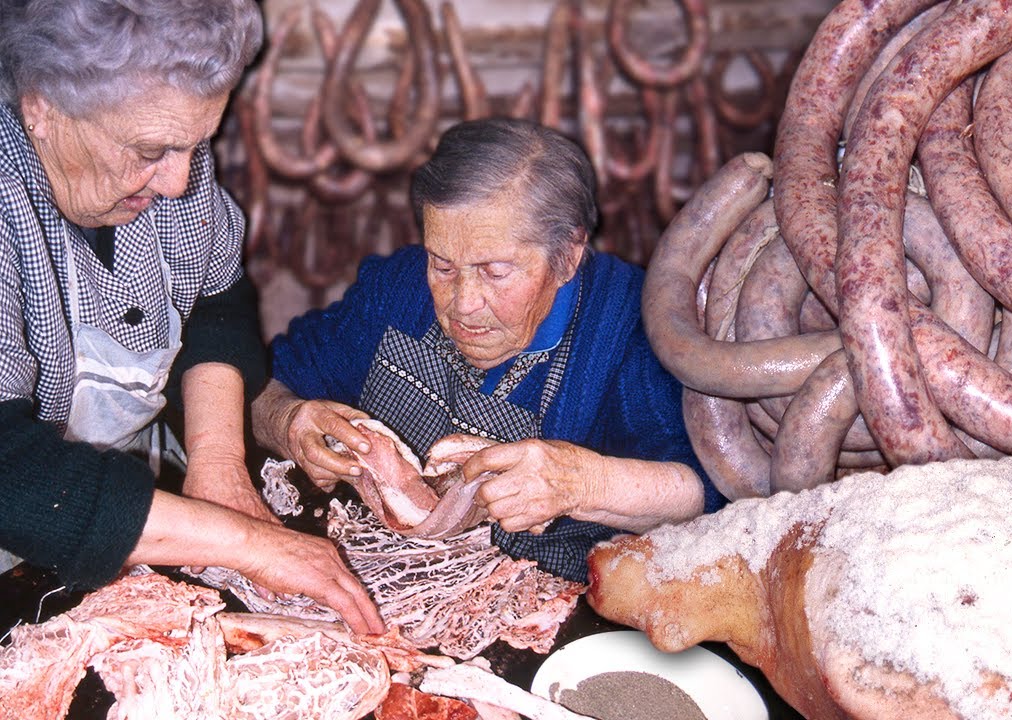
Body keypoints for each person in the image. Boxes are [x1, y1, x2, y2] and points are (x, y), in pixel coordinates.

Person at [0, 0, 382, 634]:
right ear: (41, 106)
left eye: (196, 145)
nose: (178, 181)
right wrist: (248, 543)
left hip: (130, 511)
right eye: (152, 149)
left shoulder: (162, 167)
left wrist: (218, 463)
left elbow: (215, 302)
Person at [253, 117, 727, 583]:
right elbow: (259, 382)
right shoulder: (397, 290)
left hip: (542, 607)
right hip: (380, 572)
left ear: (568, 257)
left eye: (495, 272)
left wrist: (583, 483)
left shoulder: (632, 332)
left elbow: (715, 493)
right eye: (443, 266)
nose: (463, 303)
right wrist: (287, 421)